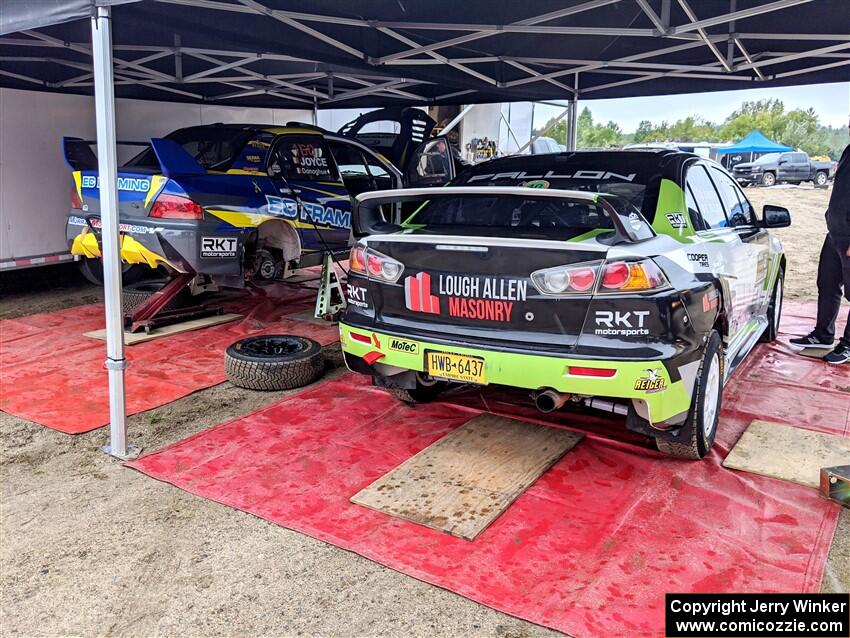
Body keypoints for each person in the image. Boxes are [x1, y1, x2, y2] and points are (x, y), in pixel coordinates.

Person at [789, 139, 850, 364]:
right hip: (836, 233)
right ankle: (823, 335)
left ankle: (848, 345)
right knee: (827, 283)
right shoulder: (848, 150)